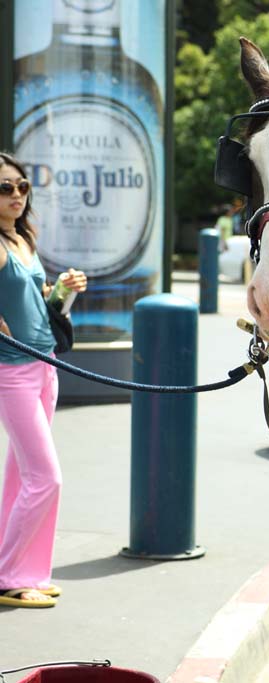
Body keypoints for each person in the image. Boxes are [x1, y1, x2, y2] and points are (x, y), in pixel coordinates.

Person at [0, 152, 87, 609]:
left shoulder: (22, 238)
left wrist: (62, 291)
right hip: (10, 372)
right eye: (5, 188)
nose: (16, 195)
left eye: (22, 186)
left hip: (44, 363)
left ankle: (28, 570)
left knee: (20, 475)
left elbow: (35, 301)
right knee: (45, 477)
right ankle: (8, 575)